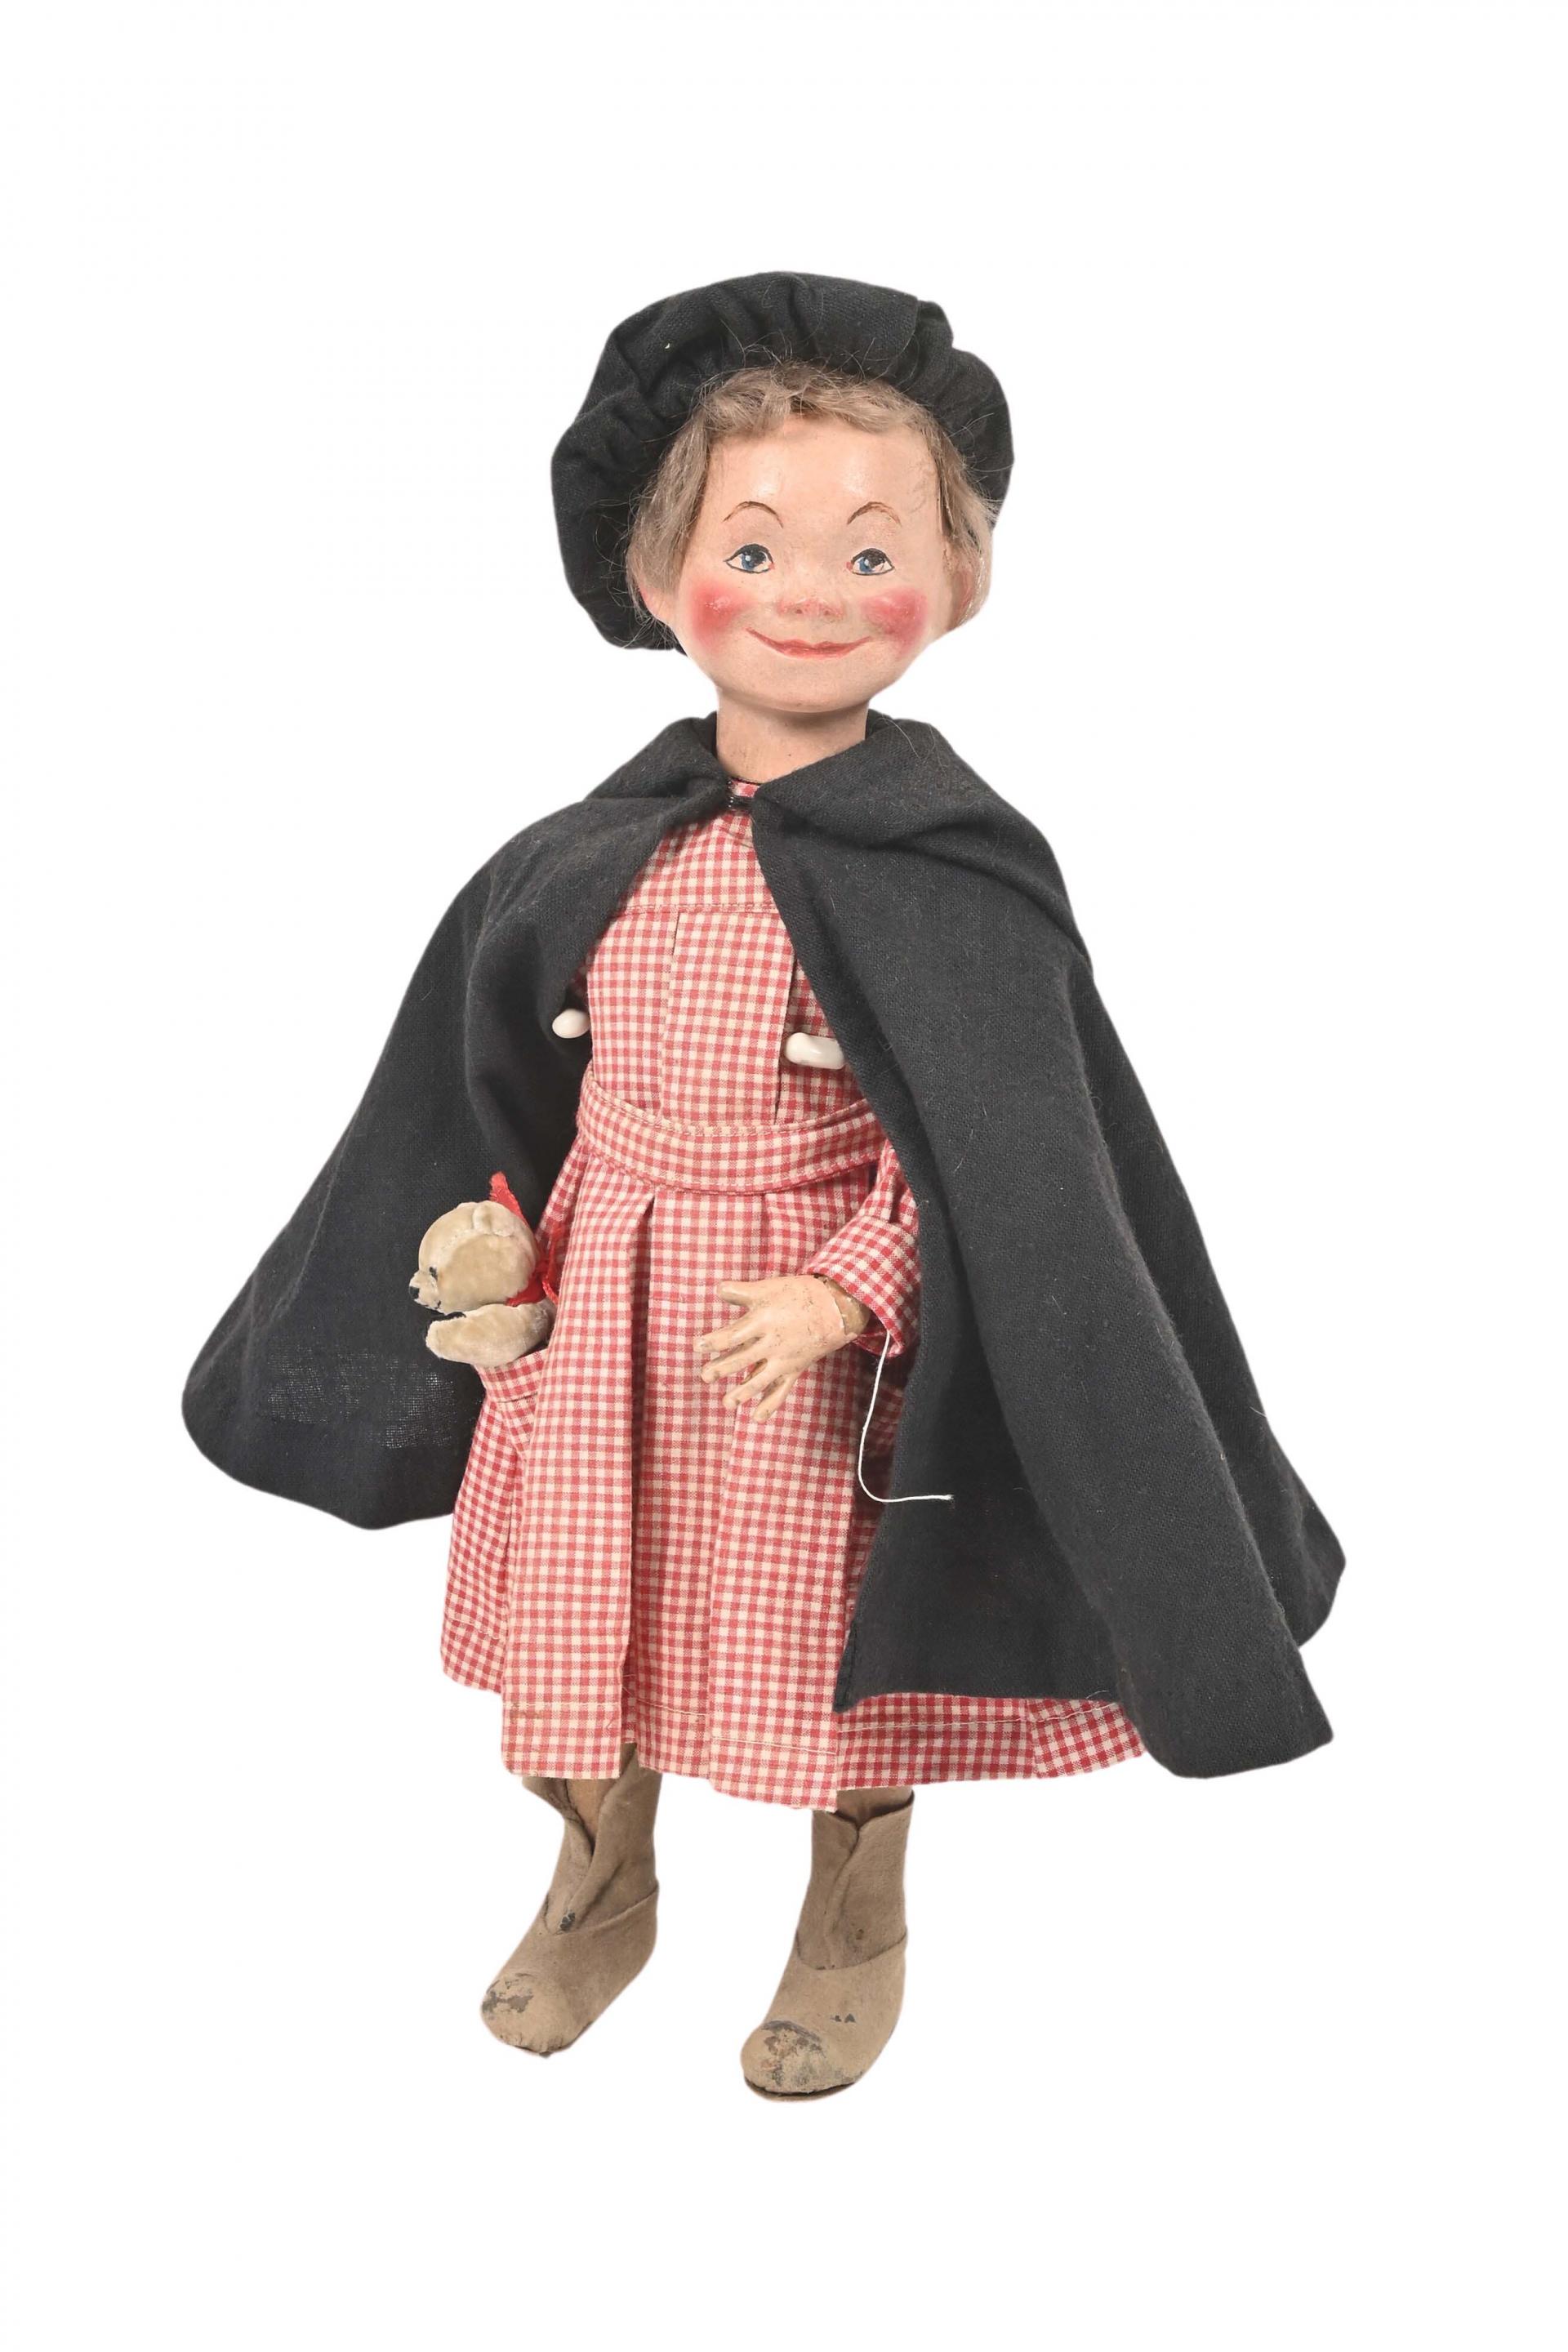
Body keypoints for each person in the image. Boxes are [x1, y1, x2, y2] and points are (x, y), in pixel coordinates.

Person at [185, 274, 1344, 2099]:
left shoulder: (957, 873)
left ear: (957, 579)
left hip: (805, 1359)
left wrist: (845, 1288)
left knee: (820, 1636)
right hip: (606, 1329)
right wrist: (503, 1240)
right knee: (595, 1603)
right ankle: (600, 1878)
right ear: (658, 580)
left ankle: (852, 1913)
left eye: (874, 551)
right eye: (754, 546)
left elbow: (990, 1164)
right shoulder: (586, 854)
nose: (813, 591)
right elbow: (512, 1092)